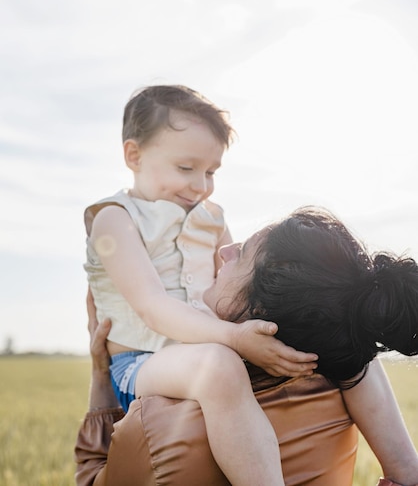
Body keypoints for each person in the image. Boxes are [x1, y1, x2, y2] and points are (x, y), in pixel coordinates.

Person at [76, 207, 418, 486]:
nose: (224, 250)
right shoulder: (342, 375)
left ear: (260, 312)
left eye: (241, 255)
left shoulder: (163, 419)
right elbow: (404, 471)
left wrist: (100, 377)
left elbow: (95, 479)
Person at [83, 84, 318, 486]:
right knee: (220, 365)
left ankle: (403, 471)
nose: (201, 185)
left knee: (330, 336)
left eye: (211, 172)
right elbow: (151, 307)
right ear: (134, 156)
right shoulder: (115, 219)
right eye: (186, 169)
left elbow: (239, 287)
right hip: (140, 365)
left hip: (209, 350)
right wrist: (235, 339)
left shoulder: (212, 217)